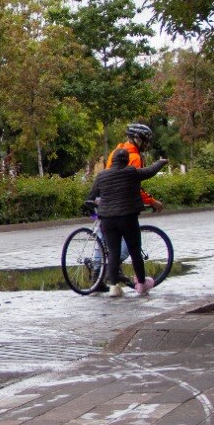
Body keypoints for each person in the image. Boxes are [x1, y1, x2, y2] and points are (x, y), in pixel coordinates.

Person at [87, 147, 168, 297]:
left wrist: (97, 209)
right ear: (126, 161)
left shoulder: (101, 176)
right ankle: (142, 284)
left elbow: (91, 197)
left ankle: (113, 287)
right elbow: (150, 171)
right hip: (127, 218)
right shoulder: (131, 172)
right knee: (135, 251)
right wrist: (162, 162)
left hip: (107, 221)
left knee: (113, 253)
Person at [106, 123, 164, 212]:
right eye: (145, 141)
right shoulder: (134, 157)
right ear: (137, 139)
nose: (147, 144)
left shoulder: (115, 152)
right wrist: (152, 202)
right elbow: (132, 187)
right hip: (122, 204)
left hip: (108, 199)